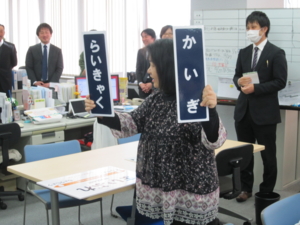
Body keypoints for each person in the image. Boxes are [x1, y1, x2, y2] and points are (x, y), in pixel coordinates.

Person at [85, 39, 227, 225]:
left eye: (152, 65)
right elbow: (131, 123)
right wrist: (102, 112)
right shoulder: (157, 98)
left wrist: (211, 111)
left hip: (191, 192)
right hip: (164, 187)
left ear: (166, 66)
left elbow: (214, 140)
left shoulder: (193, 98)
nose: (148, 71)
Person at [233, 11, 287, 202]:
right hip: (243, 113)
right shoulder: (244, 52)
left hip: (265, 114)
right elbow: (236, 76)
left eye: (253, 27)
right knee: (245, 155)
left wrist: (255, 88)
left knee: (268, 156)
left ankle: (265, 192)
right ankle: (245, 189)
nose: (250, 31)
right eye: (248, 28)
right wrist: (240, 82)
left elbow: (280, 82)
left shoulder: (276, 53)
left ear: (264, 29)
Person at [25, 23, 64, 87]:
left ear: (51, 34)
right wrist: (34, 82)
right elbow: (29, 67)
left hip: (52, 85)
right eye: (42, 33)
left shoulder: (57, 51)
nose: (44, 35)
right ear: (38, 35)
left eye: (46, 32)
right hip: (36, 85)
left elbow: (59, 68)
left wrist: (50, 84)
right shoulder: (32, 50)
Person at [136, 28, 156, 99]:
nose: (144, 39)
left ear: (153, 37)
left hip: (154, 87)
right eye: (142, 37)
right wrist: (141, 83)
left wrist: (152, 84)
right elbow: (138, 70)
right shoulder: (141, 51)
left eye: (146, 36)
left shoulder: (158, 51)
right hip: (143, 88)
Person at [0, 24, 17, 97]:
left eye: (1, 31)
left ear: (4, 33)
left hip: (5, 80)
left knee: (6, 104)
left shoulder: (10, 47)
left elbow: (14, 63)